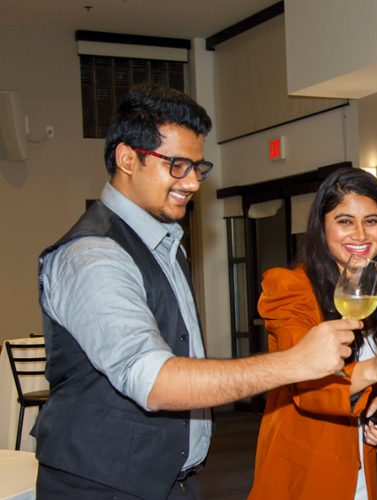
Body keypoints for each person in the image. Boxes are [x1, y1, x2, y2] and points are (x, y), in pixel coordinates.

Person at [34, 84, 357, 500]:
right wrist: (294, 362)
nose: (192, 183)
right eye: (177, 166)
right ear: (127, 158)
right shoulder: (93, 255)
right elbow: (153, 380)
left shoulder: (166, 242)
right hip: (104, 487)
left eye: (197, 168)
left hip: (172, 483)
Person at [248, 168, 377, 500]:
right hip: (303, 469)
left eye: (371, 221)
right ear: (321, 228)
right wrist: (375, 370)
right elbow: (305, 385)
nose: (360, 234)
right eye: (344, 221)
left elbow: (374, 378)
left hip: (358, 466)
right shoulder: (290, 288)